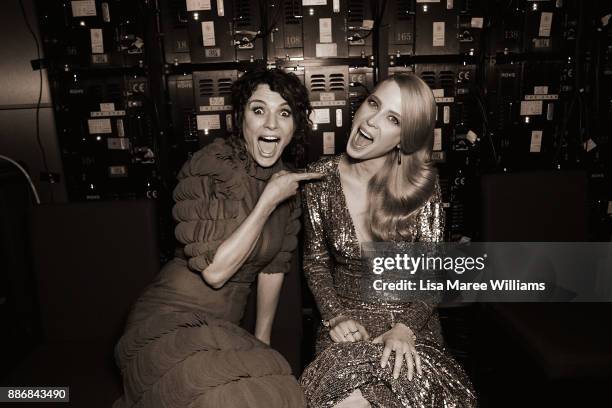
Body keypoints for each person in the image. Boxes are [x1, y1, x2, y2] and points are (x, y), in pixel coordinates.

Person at [114, 68, 321, 408]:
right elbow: (216, 272)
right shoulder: (213, 165)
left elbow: (273, 269)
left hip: (223, 329)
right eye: (259, 110)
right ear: (240, 118)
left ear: (295, 126)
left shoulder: (288, 186)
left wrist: (261, 342)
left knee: (280, 393)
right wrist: (267, 201)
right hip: (169, 319)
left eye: (284, 113)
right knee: (223, 398)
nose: (271, 124)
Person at [299, 74, 476, 407]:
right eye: (373, 104)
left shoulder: (422, 187)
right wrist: (335, 316)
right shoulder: (320, 179)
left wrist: (405, 328)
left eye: (392, 119)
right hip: (345, 322)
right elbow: (316, 262)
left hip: (411, 320)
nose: (372, 121)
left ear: (403, 138)